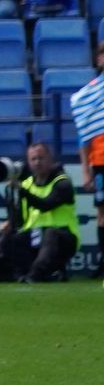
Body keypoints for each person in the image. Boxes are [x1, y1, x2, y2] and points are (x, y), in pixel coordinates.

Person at [0, 141, 80, 281]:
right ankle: (24, 273)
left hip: (63, 237)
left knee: (51, 234)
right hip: (36, 236)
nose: (37, 162)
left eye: (41, 158)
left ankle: (35, 275)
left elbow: (45, 205)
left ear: (50, 159)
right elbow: (20, 217)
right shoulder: (27, 183)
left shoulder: (63, 182)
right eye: (33, 159)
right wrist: (10, 223)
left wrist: (22, 191)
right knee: (8, 240)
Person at [68, 42, 104, 274]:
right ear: (99, 59)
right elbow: (84, 135)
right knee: (102, 214)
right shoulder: (90, 95)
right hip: (101, 161)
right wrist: (85, 169)